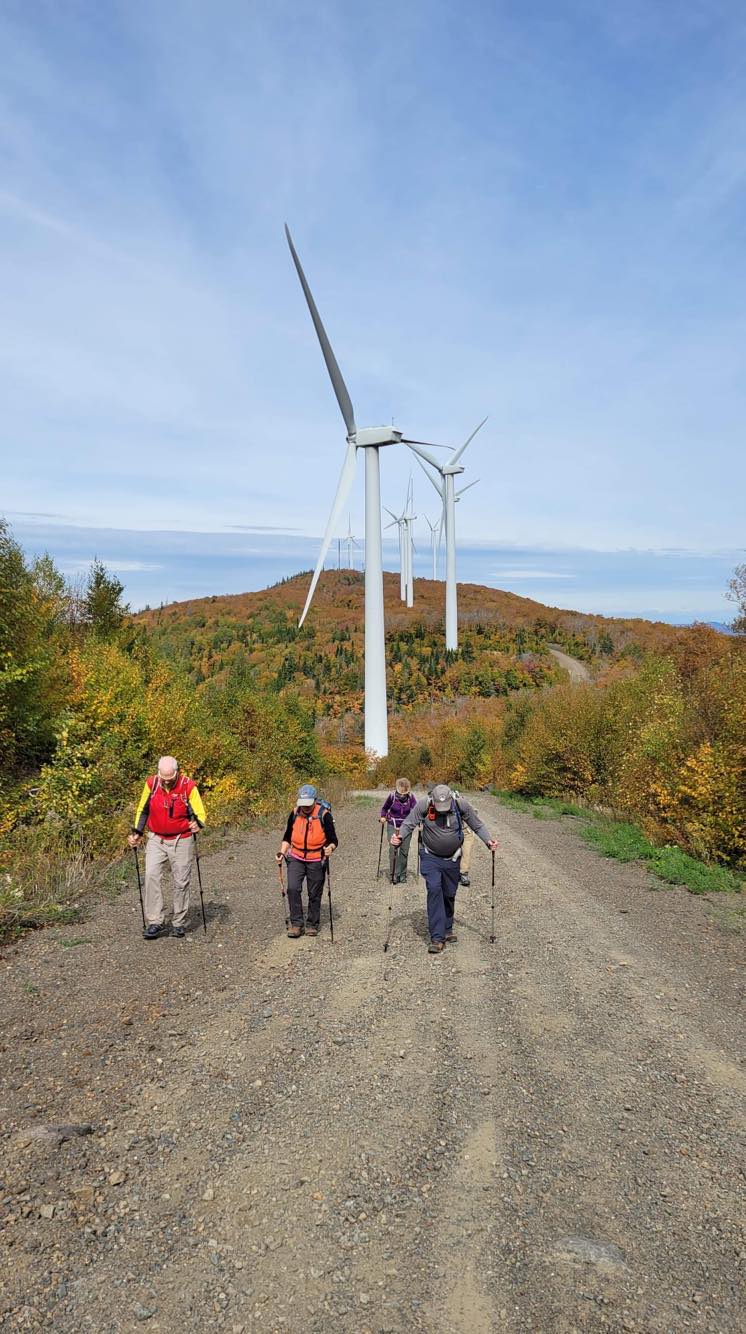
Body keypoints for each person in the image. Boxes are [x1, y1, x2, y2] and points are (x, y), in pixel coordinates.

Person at [392, 783, 498, 953]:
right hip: (430, 856)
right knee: (434, 889)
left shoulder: (460, 804)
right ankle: (437, 938)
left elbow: (477, 825)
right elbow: (408, 824)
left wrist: (488, 841)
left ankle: (447, 928)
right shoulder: (424, 804)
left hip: (453, 857)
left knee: (449, 893)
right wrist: (399, 837)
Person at [128, 756, 206, 940]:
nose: (166, 782)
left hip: (182, 839)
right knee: (151, 875)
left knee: (181, 881)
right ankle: (155, 921)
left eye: (170, 779)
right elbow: (143, 809)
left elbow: (199, 812)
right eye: (163, 778)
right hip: (156, 838)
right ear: (158, 773)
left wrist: (198, 823)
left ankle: (179, 923)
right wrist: (137, 832)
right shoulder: (152, 784)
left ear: (177, 773)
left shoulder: (188, 786)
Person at [276, 784, 338, 938]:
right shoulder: (295, 813)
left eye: (308, 804)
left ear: (314, 801)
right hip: (296, 857)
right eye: (302, 804)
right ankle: (296, 924)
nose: (305, 808)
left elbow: (333, 840)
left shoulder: (324, 815)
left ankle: (312, 924)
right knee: (293, 888)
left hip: (316, 858)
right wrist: (281, 852)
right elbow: (287, 836)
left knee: (314, 892)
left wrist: (330, 848)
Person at [380, 778, 417, 883]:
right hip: (393, 824)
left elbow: (416, 811)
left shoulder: (411, 797)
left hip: (406, 826)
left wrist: (420, 821)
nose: (402, 795)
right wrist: (383, 817)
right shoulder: (392, 797)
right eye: (401, 792)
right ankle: (394, 875)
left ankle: (402, 874)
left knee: (404, 851)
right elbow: (384, 808)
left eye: (404, 792)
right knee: (393, 849)